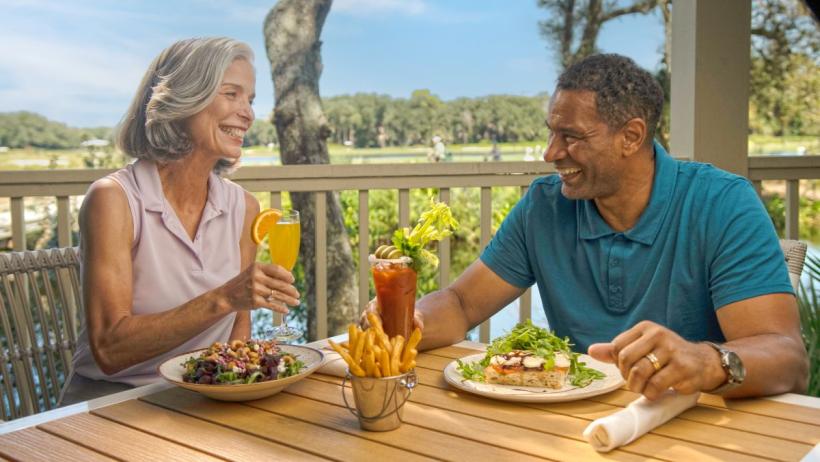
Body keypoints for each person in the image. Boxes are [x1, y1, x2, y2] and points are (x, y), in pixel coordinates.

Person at [409, 54, 808, 400]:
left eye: (571, 136)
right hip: (573, 428)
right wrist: (409, 321)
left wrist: (706, 362)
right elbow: (462, 304)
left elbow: (788, 361)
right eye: (551, 132)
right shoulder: (543, 206)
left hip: (695, 426)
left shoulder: (723, 203)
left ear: (631, 136)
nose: (551, 153)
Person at [60, 37, 300, 404]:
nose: (248, 113)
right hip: (111, 404)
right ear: (185, 98)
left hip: (202, 399)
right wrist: (225, 297)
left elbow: (239, 333)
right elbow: (110, 350)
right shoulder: (114, 200)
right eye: (231, 94)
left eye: (249, 99)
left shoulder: (244, 208)